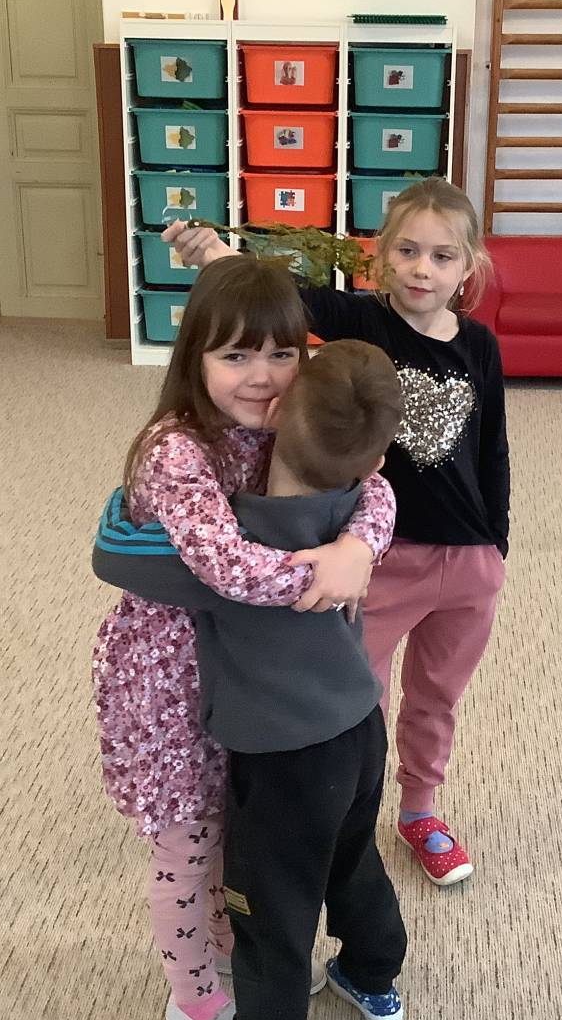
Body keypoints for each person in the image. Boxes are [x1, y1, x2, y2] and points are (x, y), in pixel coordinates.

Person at [163, 177, 508, 888]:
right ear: (380, 257)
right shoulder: (363, 321)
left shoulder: (479, 344)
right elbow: (287, 298)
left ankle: (420, 810)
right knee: (357, 699)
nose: (421, 269)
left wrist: (497, 543)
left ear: (468, 268)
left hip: (469, 564)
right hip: (383, 558)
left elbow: (493, 446)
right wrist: (215, 255)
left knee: (437, 695)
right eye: (406, 251)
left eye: (442, 256)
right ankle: (354, 816)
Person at [95, 340, 410, 1020]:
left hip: (284, 759)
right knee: (352, 862)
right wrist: (358, 547)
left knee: (269, 916)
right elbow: (384, 498)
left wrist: (121, 504)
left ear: (277, 419)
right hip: (359, 726)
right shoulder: (356, 509)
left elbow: (114, 554)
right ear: (372, 458)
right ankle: (374, 978)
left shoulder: (231, 539)